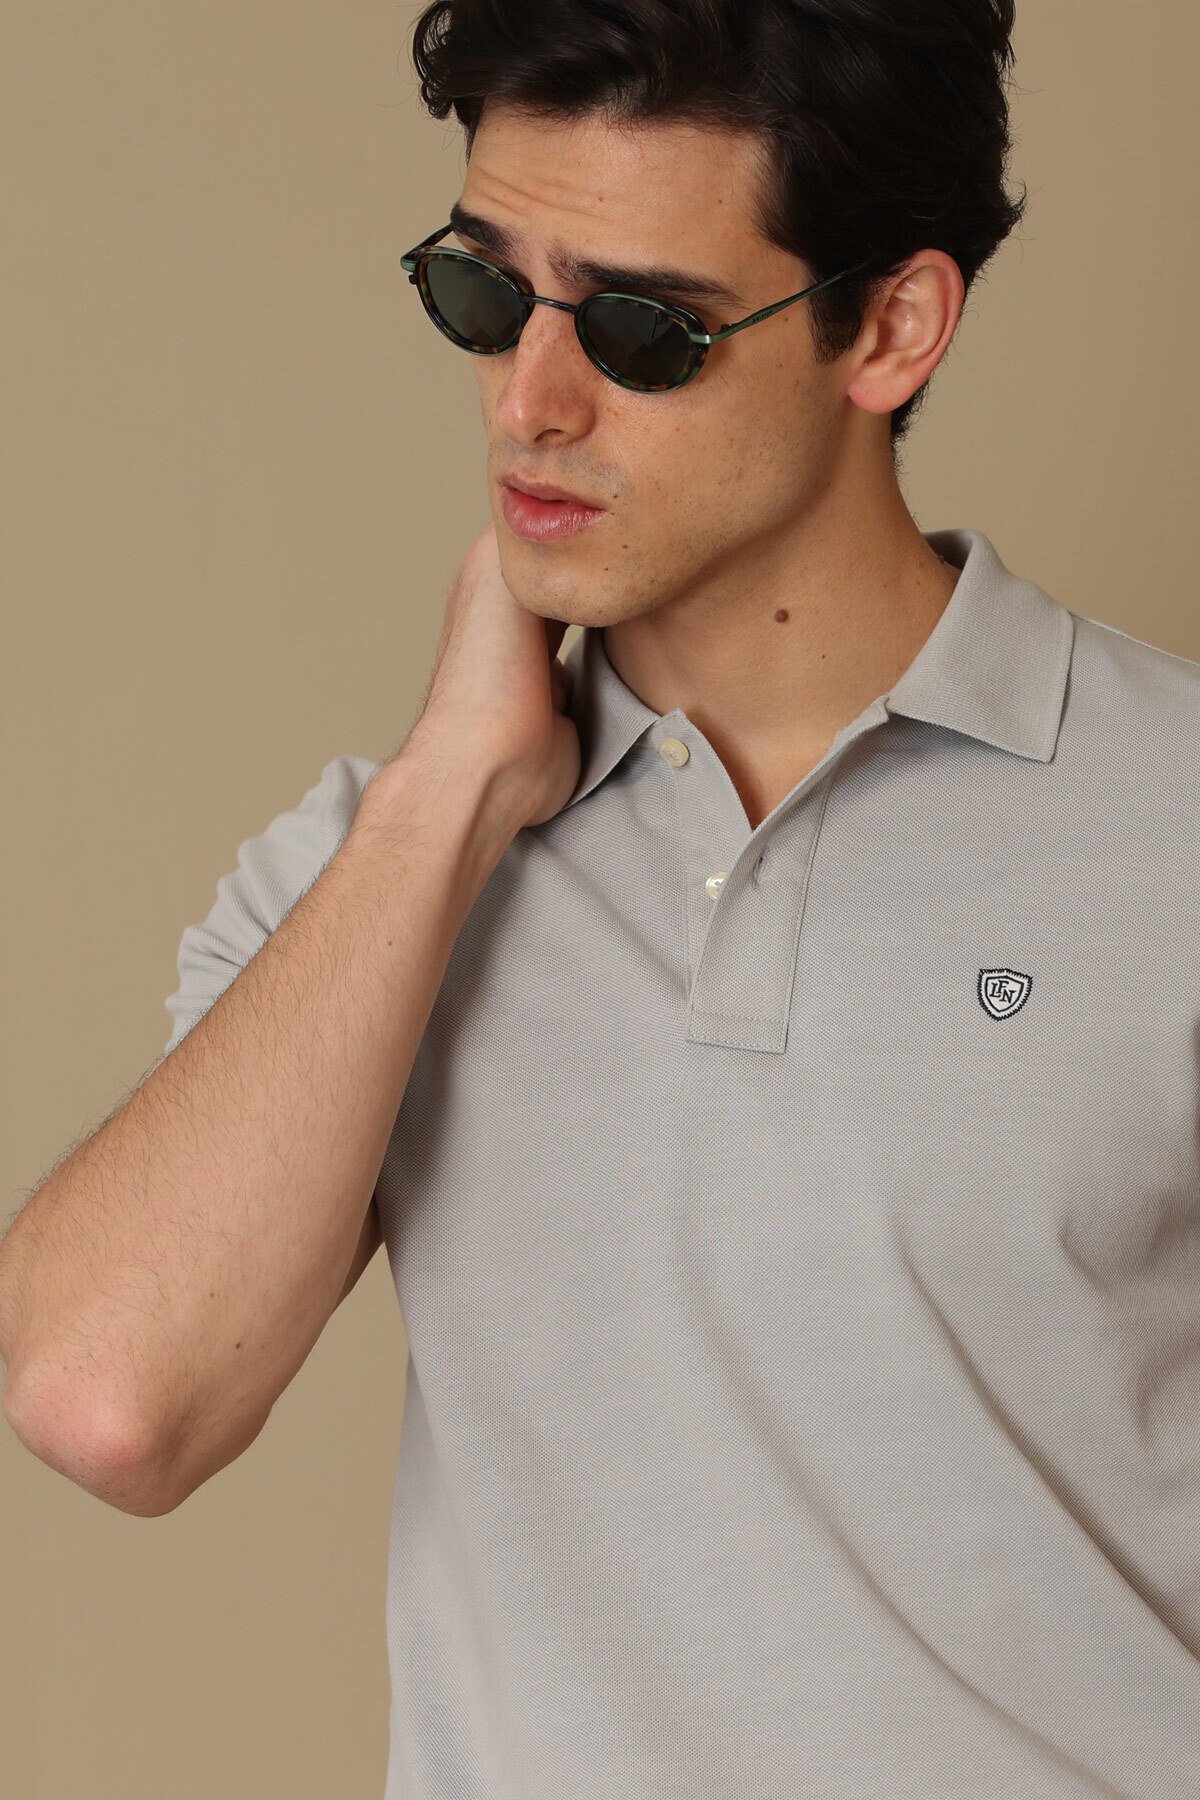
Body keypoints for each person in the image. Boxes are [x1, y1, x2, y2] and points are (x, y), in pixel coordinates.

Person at [2, 2, 1198, 1796]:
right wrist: (453, 792)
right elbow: (105, 1401)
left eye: (644, 329)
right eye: (486, 295)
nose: (531, 404)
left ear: (892, 326)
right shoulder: (380, 871)